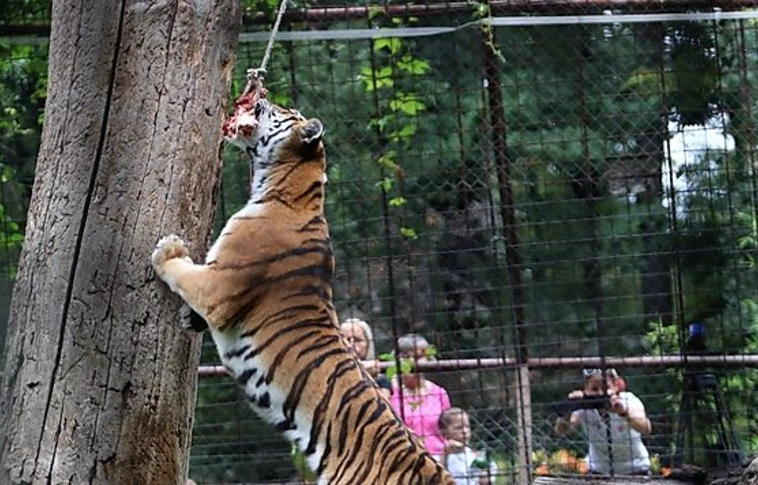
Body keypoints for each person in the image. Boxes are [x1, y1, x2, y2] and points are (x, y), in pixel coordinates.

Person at [554, 368, 652, 476]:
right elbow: (562, 431)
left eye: (606, 388)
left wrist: (623, 413)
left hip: (636, 469)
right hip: (598, 471)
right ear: (586, 389)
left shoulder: (629, 400)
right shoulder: (584, 407)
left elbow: (646, 428)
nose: (600, 393)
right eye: (594, 389)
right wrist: (569, 408)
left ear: (615, 386)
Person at [390, 333, 451, 456]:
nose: (412, 361)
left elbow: (449, 432)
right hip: (400, 458)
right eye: (406, 356)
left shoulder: (439, 393)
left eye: (418, 357)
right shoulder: (388, 391)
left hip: (437, 458)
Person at [438, 407, 497, 485]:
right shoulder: (442, 454)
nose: (465, 431)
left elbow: (484, 473)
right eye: (458, 428)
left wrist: (484, 476)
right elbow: (438, 474)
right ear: (443, 432)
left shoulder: (471, 454)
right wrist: (445, 453)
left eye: (467, 427)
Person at [339, 317, 391, 398]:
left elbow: (382, 402)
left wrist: (367, 377)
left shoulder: (381, 380)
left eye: (357, 340)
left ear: (368, 343)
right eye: (347, 340)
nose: (351, 344)